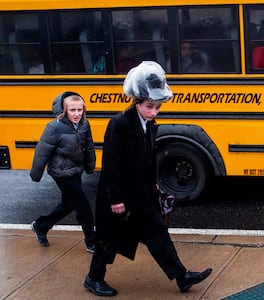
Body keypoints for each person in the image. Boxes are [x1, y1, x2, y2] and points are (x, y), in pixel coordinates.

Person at [83, 61, 212, 297]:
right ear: (137, 102)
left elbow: (148, 160)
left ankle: (182, 277)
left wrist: (155, 186)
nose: (154, 112)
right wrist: (116, 199)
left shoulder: (149, 124)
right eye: (150, 107)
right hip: (120, 195)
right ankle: (93, 278)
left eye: (158, 108)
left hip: (142, 193)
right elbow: (111, 164)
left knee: (158, 233)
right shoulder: (119, 124)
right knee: (109, 239)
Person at [30, 91, 96, 253]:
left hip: (75, 170)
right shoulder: (55, 127)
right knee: (84, 208)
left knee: (68, 205)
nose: (77, 114)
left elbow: (88, 146)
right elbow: (42, 151)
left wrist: (89, 166)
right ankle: (92, 243)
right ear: (64, 110)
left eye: (80, 110)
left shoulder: (84, 124)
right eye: (72, 110)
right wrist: (36, 174)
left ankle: (40, 226)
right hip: (61, 172)